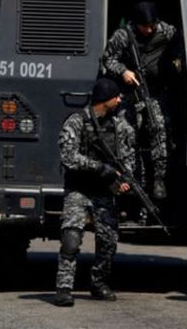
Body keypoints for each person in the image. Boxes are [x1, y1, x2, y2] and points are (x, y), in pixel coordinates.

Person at [53, 78, 136, 308]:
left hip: (104, 191)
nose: (120, 100)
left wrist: (124, 180)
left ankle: (99, 282)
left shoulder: (120, 126)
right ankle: (64, 287)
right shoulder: (76, 122)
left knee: (108, 240)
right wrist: (100, 168)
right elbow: (69, 157)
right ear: (106, 99)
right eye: (116, 96)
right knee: (71, 238)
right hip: (79, 189)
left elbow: (128, 158)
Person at [101, 1, 179, 200]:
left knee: (159, 127)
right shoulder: (123, 36)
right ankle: (129, 181)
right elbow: (107, 60)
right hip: (129, 92)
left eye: (152, 25)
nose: (150, 29)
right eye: (145, 26)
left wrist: (175, 63)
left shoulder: (166, 31)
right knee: (126, 133)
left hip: (155, 92)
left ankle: (159, 178)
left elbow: (182, 43)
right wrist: (123, 71)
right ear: (136, 23)